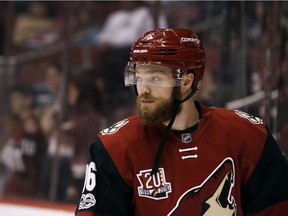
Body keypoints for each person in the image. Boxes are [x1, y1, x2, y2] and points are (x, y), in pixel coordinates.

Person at [74, 28, 288, 216]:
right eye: (139, 78)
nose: (143, 90)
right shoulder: (115, 148)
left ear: (187, 81)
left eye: (155, 78)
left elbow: (277, 208)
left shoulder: (247, 135)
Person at [0, 85, 47, 199]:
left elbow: (26, 161)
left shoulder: (30, 125)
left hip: (25, 187)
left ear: (28, 99)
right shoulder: (21, 124)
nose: (13, 102)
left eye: (16, 98)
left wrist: (4, 154)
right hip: (17, 184)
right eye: (12, 99)